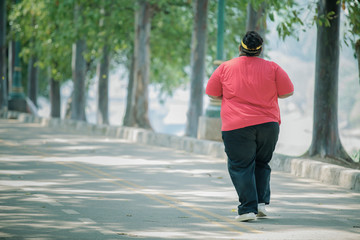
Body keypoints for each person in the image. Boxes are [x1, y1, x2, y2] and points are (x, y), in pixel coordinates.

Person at [205, 31, 294, 222]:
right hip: (268, 125)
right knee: (262, 163)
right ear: (260, 50)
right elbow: (287, 92)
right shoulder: (273, 68)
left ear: (240, 48)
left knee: (240, 166)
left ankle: (247, 209)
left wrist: (231, 97)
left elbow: (212, 93)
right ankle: (260, 204)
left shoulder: (225, 68)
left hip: (237, 126)